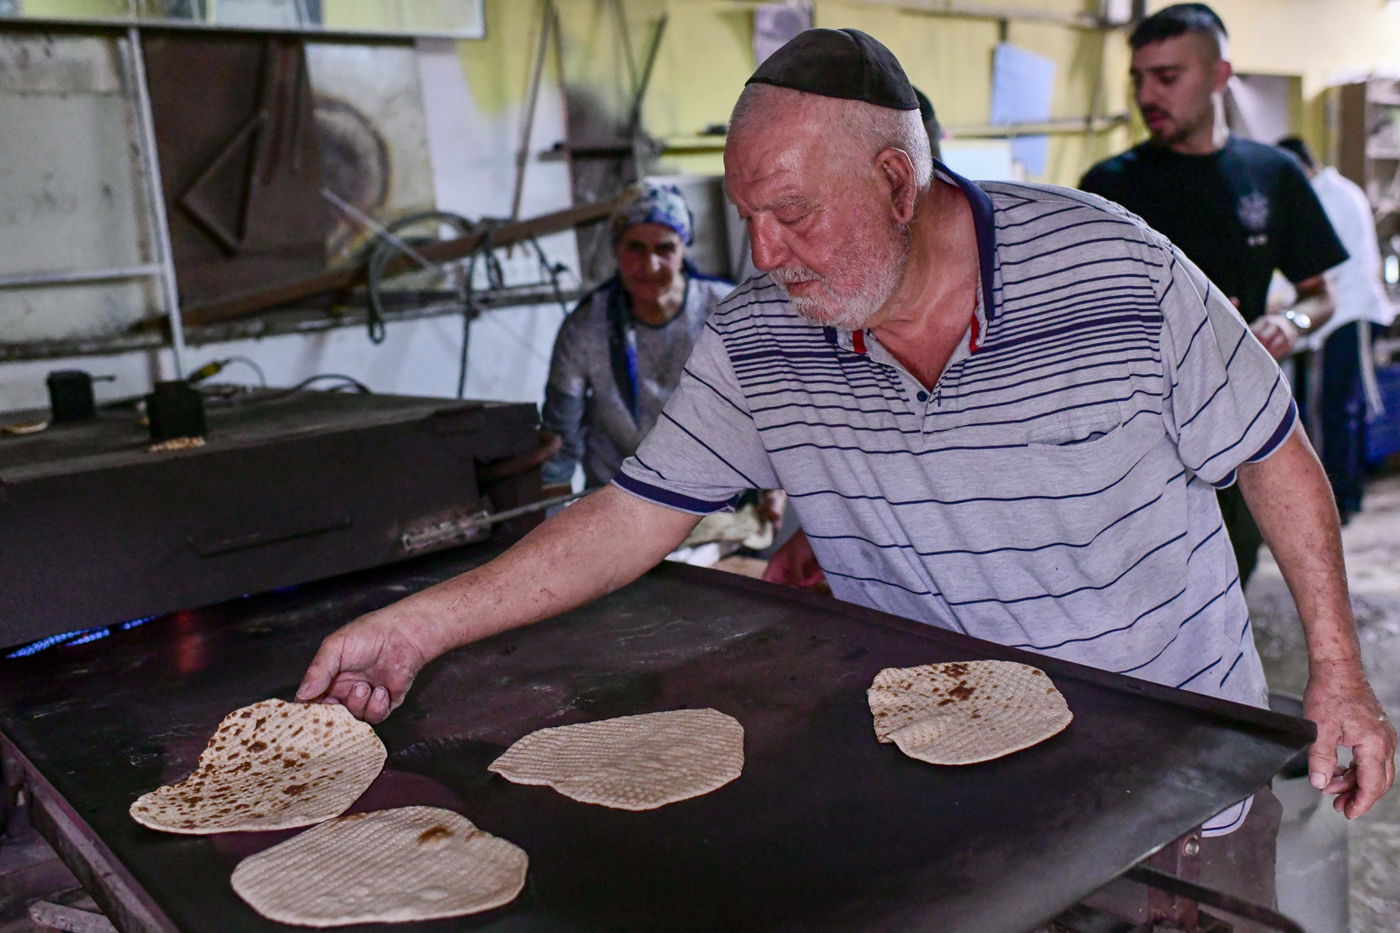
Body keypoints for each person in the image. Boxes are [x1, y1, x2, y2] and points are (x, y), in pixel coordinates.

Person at [298, 27, 1393, 925]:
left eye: (792, 215)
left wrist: (1337, 671)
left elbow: (1270, 450)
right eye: (746, 218)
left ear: (896, 181)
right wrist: (417, 627)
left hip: (1168, 768)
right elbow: (631, 514)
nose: (764, 255)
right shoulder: (759, 339)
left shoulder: (1111, 269)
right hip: (951, 777)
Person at [1078, 3, 1348, 589]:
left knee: (1232, 576)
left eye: (1167, 77)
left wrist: (1291, 323)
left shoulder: (1272, 174)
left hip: (1239, 426)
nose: (1147, 95)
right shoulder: (1111, 185)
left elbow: (1320, 296)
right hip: (1139, 434)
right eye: (1139, 79)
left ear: (1219, 76)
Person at [540, 181, 733, 491]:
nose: (650, 265)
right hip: (621, 495)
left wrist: (774, 490)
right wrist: (550, 509)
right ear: (616, 250)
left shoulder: (726, 311)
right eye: (635, 248)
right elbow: (560, 440)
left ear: (683, 249)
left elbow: (772, 409)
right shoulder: (584, 329)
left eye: (665, 248)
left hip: (719, 495)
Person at [1276, 135, 1397, 524]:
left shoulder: (1332, 197)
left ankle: (1339, 500)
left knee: (1335, 410)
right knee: (1343, 408)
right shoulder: (1335, 191)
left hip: (1350, 312)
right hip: (1346, 312)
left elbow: (1321, 265)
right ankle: (1347, 495)